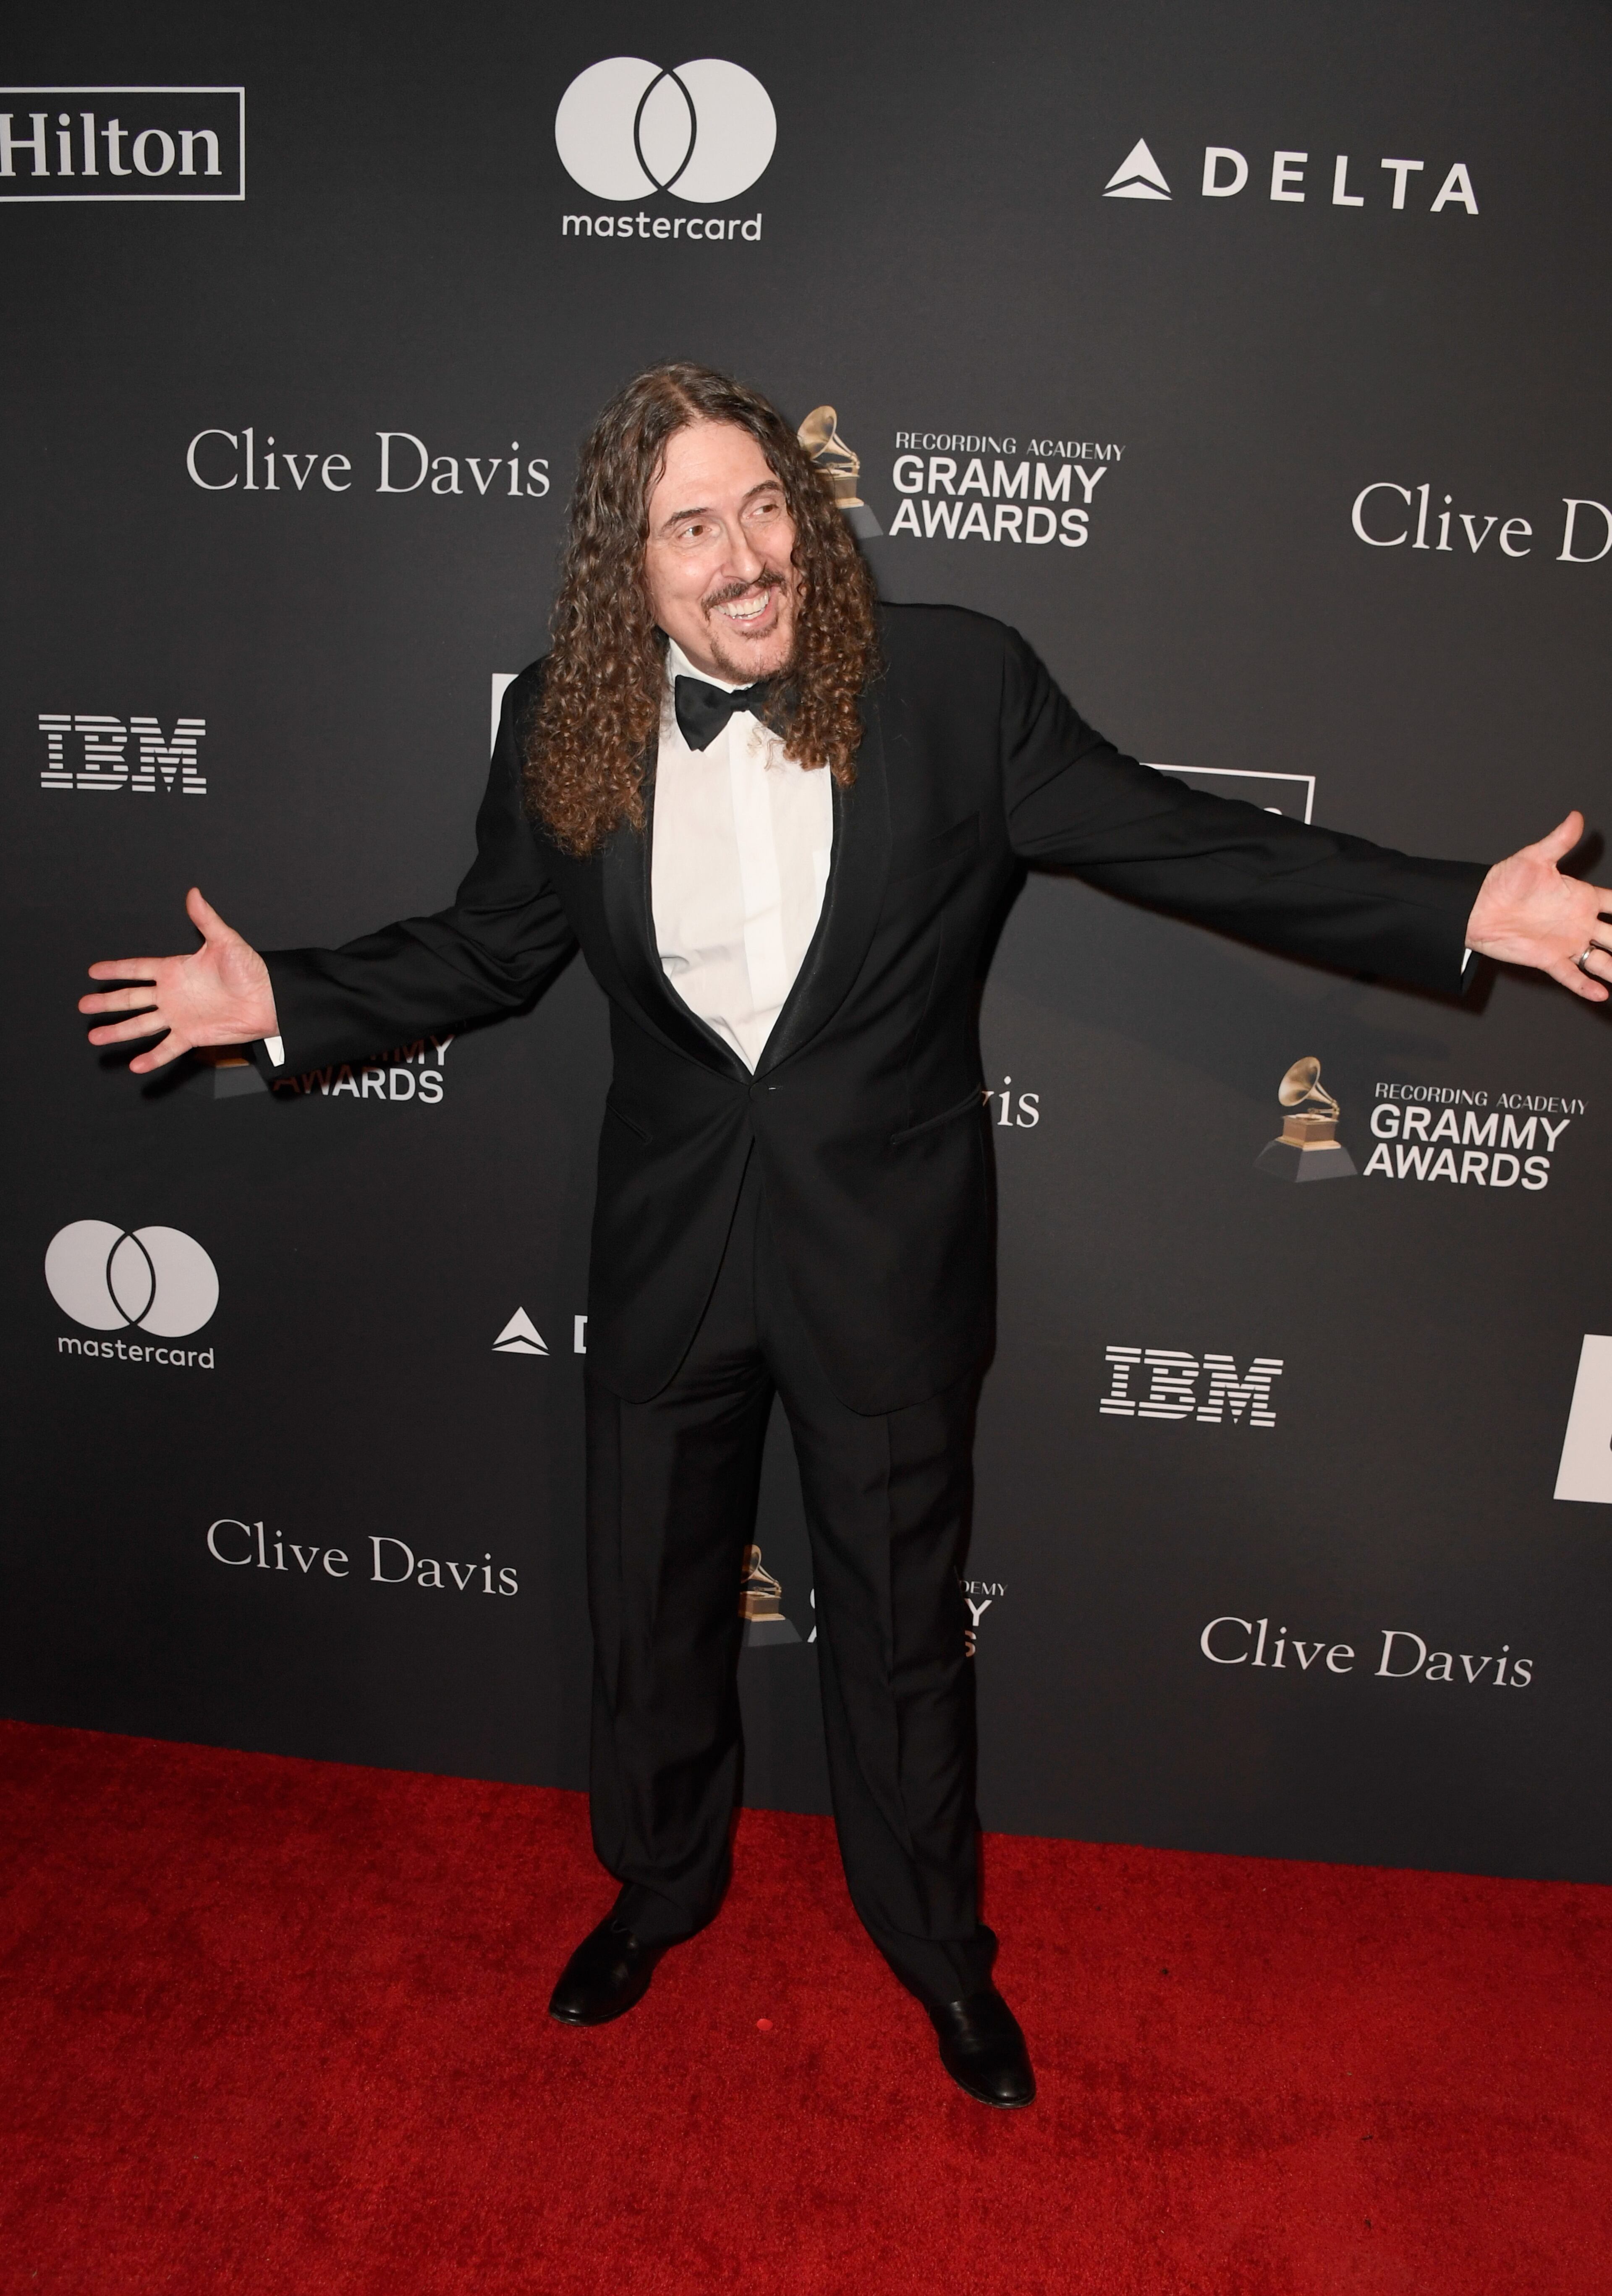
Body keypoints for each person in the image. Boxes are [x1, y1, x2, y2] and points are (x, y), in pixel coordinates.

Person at [81, 363, 1610, 2108]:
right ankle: (657, 1892)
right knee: (651, 1613)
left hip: (884, 1249)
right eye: (688, 528)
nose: (741, 556)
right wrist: (287, 997)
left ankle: (941, 1954)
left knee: (896, 1629)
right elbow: (492, 947)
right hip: (672, 1249)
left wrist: (1456, 908)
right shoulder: (559, 726)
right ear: (626, 571)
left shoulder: (956, 682)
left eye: (761, 508)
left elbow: (1186, 843)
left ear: (803, 513)